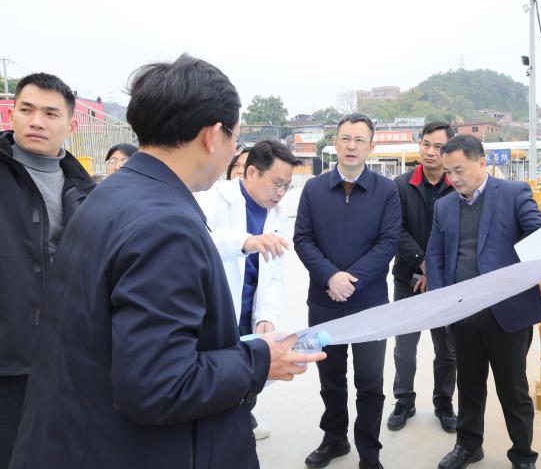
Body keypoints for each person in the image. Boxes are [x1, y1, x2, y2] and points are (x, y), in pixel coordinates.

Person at [9, 55, 324, 469]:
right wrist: (261, 360)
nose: (234, 151)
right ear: (212, 136)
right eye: (235, 138)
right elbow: (159, 385)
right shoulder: (166, 226)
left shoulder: (111, 194)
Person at [426, 135, 541, 469]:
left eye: (459, 170)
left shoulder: (513, 193)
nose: (453, 179)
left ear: (482, 163)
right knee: (469, 386)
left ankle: (523, 454)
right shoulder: (444, 206)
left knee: (513, 390)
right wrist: (442, 304)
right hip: (463, 313)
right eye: (448, 172)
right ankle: (468, 446)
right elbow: (435, 255)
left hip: (506, 314)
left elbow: (538, 235)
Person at [294, 113, 400, 469]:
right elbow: (303, 239)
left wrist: (349, 280)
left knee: (370, 381)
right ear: (335, 143)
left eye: (359, 140)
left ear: (371, 146)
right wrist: (330, 277)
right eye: (345, 138)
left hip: (369, 302)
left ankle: (369, 452)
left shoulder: (386, 190)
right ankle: (335, 439)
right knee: (330, 378)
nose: (351, 146)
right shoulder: (314, 189)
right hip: (324, 301)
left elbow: (388, 242)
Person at [0, 73, 95, 468]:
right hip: (7, 362)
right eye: (27, 109)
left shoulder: (84, 189)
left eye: (50, 113)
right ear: (12, 114)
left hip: (65, 359)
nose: (36, 121)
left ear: (71, 125)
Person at [196, 139, 301, 440]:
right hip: (216, 312)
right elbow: (197, 237)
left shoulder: (276, 214)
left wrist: (266, 315)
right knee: (215, 381)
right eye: (277, 184)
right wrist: (245, 241)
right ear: (252, 173)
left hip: (248, 314)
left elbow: (275, 274)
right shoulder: (215, 199)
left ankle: (241, 425)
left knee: (248, 377)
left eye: (287, 187)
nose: (281, 193)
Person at [387, 121, 457, 434]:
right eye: (426, 144)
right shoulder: (400, 185)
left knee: (448, 349)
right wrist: (422, 262)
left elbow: (458, 233)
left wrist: (435, 269)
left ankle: (444, 403)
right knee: (405, 346)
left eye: (438, 147)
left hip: (446, 282)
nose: (430, 152)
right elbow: (395, 230)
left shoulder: (456, 185)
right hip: (408, 277)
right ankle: (404, 401)